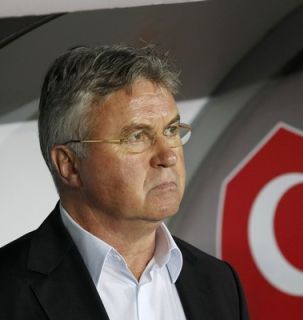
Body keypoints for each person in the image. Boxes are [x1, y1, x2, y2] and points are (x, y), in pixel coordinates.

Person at [0, 44, 249, 320]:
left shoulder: (219, 283)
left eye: (171, 130)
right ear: (69, 164)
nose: (168, 156)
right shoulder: (7, 290)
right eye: (136, 137)